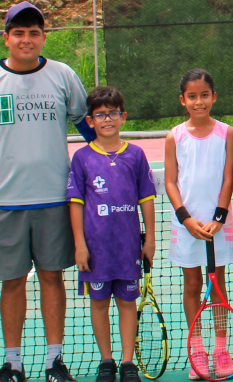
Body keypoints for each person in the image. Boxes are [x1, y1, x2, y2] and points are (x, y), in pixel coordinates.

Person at [0, 1, 95, 382]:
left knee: (53, 278)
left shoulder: (63, 75)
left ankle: (55, 361)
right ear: (5, 38)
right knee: (12, 283)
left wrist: (110, 166)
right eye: (18, 32)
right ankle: (13, 363)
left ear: (43, 37)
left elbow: (89, 130)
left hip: (55, 200)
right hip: (2, 204)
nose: (26, 39)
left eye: (34, 32)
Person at [67, 86, 156, 382]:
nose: (108, 119)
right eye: (100, 115)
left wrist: (150, 239)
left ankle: (128, 362)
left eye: (113, 113)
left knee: (127, 303)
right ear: (90, 121)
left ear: (123, 116)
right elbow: (76, 203)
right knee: (99, 303)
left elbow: (146, 199)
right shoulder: (81, 158)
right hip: (95, 250)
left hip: (128, 248)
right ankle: (107, 360)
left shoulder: (136, 155)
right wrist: (80, 244)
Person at [162, 70, 233, 380]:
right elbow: (170, 181)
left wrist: (219, 217)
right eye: (192, 96)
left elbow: (230, 176)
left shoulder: (228, 133)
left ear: (213, 97)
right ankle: (197, 350)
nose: (199, 101)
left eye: (204, 94)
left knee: (217, 286)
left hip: (218, 224)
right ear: (183, 100)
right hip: (186, 226)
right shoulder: (174, 136)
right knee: (191, 285)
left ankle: (220, 350)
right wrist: (186, 219)